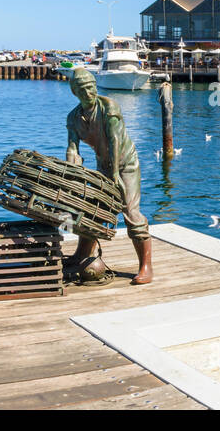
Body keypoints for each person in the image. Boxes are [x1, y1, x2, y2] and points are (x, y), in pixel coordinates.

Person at [62, 69, 153, 286]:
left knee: (131, 212)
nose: (88, 92)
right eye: (82, 89)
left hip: (126, 164)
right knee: (94, 210)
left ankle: (146, 267)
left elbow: (115, 140)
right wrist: (72, 167)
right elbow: (72, 148)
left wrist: (114, 175)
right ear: (75, 92)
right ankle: (81, 254)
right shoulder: (73, 118)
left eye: (90, 86)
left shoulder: (109, 107)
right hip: (103, 164)